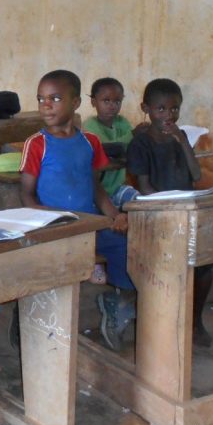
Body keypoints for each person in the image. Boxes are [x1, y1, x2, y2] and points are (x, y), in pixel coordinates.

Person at [127, 78, 213, 358]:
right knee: (205, 263)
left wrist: (182, 142)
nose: (169, 116)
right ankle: (195, 328)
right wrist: (176, 208)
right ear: (146, 108)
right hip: (158, 216)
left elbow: (195, 176)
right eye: (161, 109)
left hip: (189, 212)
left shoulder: (179, 137)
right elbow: (144, 188)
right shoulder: (140, 144)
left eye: (175, 109)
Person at [19, 70, 132, 351]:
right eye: (41, 99)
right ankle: (30, 323)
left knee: (126, 246)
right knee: (54, 266)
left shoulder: (89, 142)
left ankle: (116, 301)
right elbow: (27, 196)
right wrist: (53, 222)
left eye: (55, 98)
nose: (46, 105)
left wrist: (113, 215)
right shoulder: (37, 144)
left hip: (90, 221)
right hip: (55, 225)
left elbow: (96, 187)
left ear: (76, 103)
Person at [83, 77, 138, 284]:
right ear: (93, 102)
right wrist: (130, 138)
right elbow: (106, 149)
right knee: (101, 224)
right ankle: (96, 262)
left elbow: (128, 148)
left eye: (117, 101)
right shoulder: (90, 126)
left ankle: (139, 260)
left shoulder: (123, 123)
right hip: (98, 192)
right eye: (106, 101)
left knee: (142, 204)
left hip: (117, 187)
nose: (112, 106)